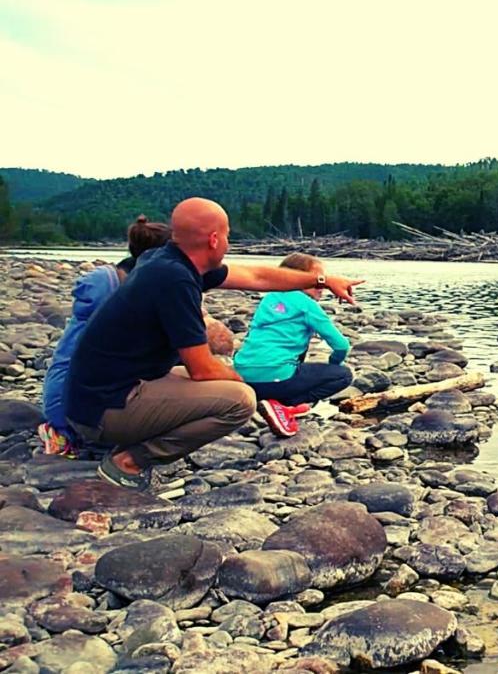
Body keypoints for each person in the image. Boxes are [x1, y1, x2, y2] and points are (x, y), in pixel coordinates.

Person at [65, 197, 364, 490]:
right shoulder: (174, 280)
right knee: (238, 400)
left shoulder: (166, 260)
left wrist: (323, 280)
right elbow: (202, 369)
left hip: (102, 396)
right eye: (228, 235)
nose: (229, 242)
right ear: (213, 239)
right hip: (103, 412)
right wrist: (252, 388)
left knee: (222, 384)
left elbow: (257, 276)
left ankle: (129, 440)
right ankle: (128, 462)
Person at [39, 216, 171, 458]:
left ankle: (60, 430)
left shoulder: (106, 281)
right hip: (79, 407)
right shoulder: (134, 295)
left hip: (57, 396)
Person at [234, 252, 353, 437]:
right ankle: (284, 406)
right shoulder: (307, 305)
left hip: (244, 376)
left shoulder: (269, 298)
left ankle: (265, 400)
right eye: (317, 282)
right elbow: (341, 345)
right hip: (276, 377)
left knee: (290, 365)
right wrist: (333, 366)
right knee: (343, 376)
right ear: (296, 278)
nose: (323, 288)